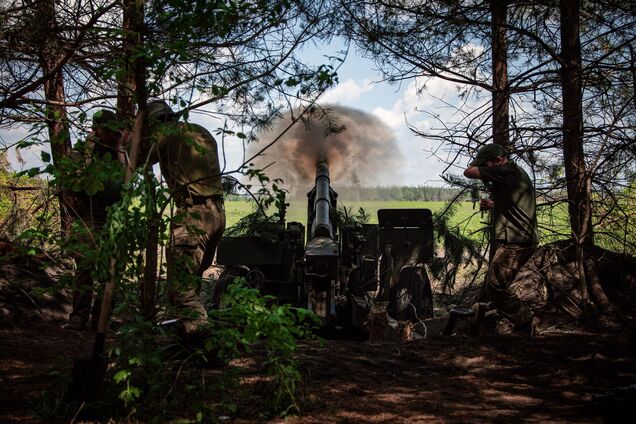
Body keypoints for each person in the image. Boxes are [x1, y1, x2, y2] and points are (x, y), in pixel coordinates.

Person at [144, 100, 226, 343]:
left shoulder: (166, 134)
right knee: (192, 280)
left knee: (181, 286)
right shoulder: (200, 131)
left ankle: (204, 341)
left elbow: (141, 159)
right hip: (217, 214)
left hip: (194, 215)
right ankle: (185, 342)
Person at [463, 143, 539, 334]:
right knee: (490, 287)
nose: (487, 169)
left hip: (517, 241)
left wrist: (483, 168)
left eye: (487, 164)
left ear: (498, 161)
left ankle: (526, 322)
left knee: (496, 287)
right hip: (519, 239)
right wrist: (493, 204)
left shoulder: (506, 170)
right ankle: (478, 326)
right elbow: (514, 204)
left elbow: (469, 172)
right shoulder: (513, 173)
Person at [66, 109, 128, 330]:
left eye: (114, 132)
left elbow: (128, 185)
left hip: (113, 217)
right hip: (89, 216)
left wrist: (120, 149)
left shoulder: (118, 152)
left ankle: (102, 318)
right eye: (107, 131)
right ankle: (79, 317)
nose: (110, 136)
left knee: (111, 269)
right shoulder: (82, 152)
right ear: (96, 130)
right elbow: (77, 182)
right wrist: (89, 153)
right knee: (85, 266)